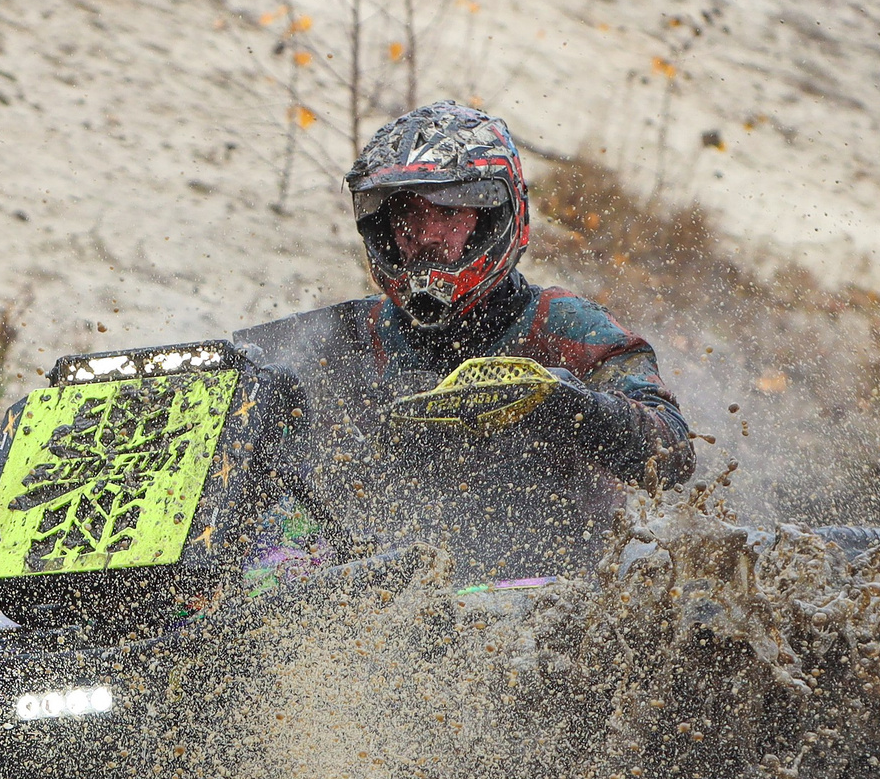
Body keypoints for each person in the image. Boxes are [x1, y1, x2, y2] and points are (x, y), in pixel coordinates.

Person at [235, 101, 694, 582]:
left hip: (548, 603)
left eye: (449, 211)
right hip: (388, 600)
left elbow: (672, 455)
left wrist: (559, 402)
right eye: (407, 212)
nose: (426, 233)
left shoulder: (568, 327)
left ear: (492, 216)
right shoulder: (345, 337)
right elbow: (247, 426)